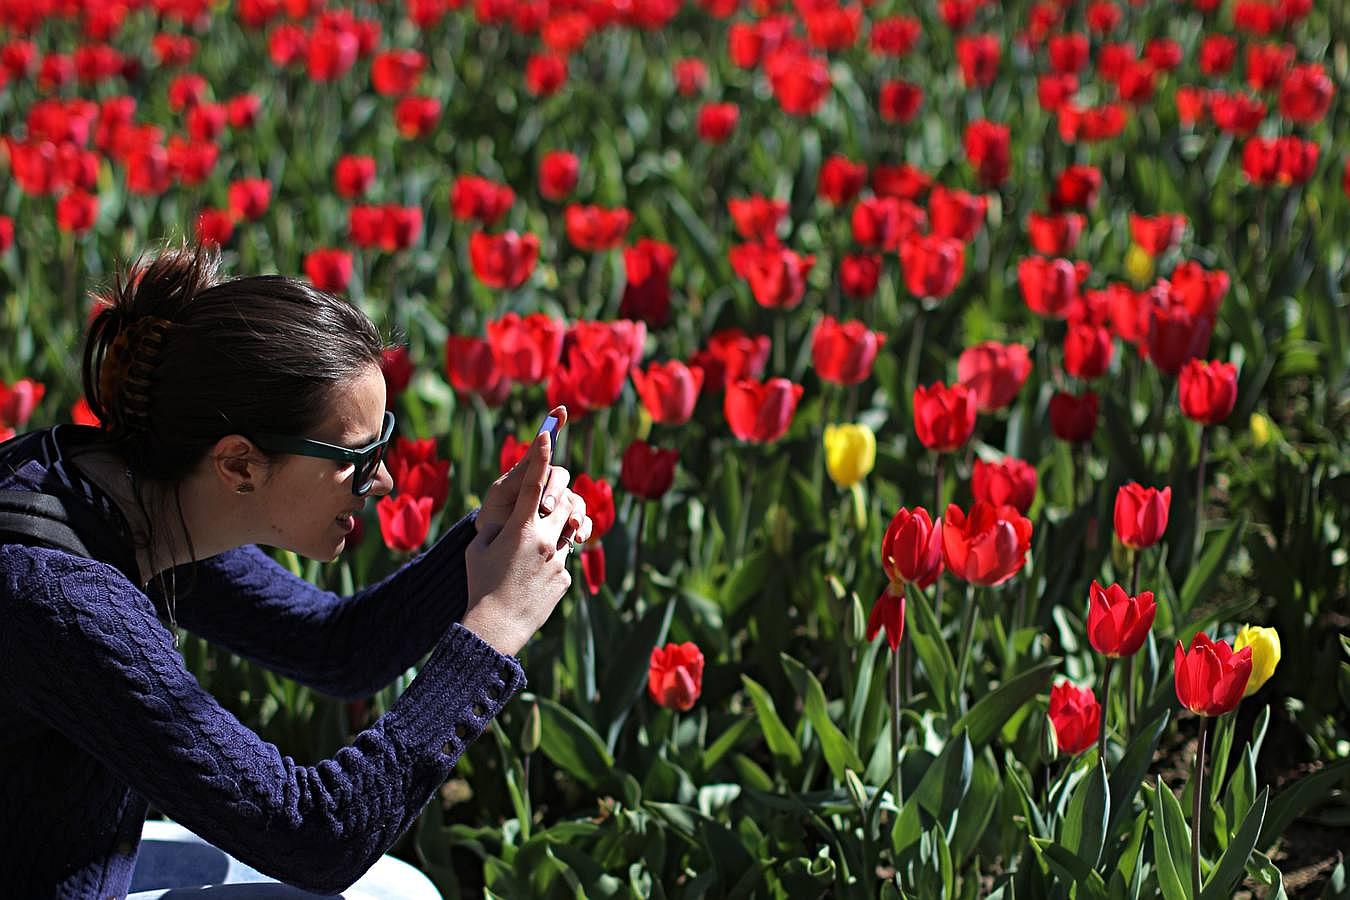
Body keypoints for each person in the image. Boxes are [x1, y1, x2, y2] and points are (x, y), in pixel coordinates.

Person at [0, 245, 592, 897]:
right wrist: (496, 627)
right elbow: (316, 836)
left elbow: (336, 647)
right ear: (240, 466)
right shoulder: (62, 596)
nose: (385, 481)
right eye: (355, 457)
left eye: (383, 442)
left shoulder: (124, 490)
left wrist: (488, 537)